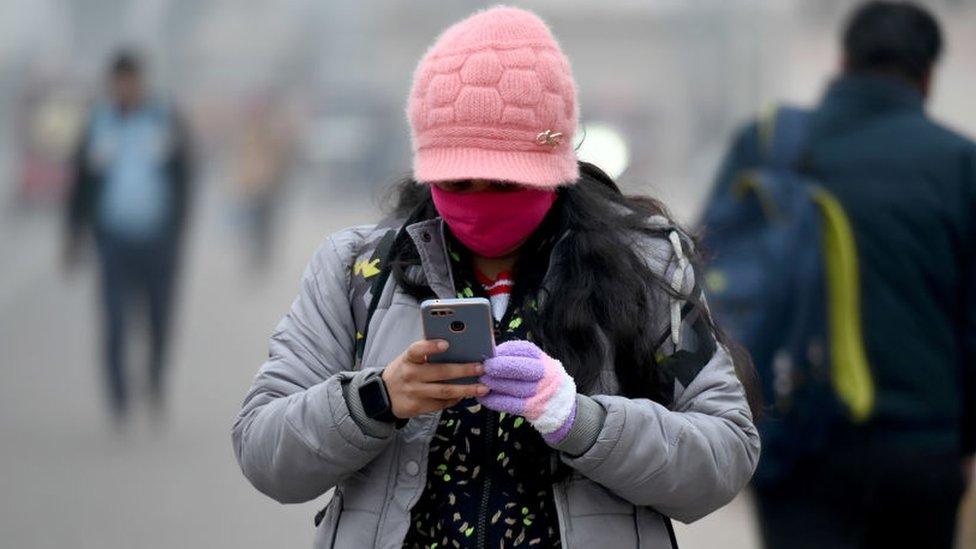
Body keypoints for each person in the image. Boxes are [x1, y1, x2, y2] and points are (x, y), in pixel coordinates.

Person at [233, 7, 760, 548]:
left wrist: (581, 420)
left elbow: (725, 454)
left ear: (554, 171)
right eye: (458, 182)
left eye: (507, 184)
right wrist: (376, 401)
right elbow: (263, 451)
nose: (480, 204)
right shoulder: (356, 273)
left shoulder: (643, 268)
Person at [711, 2, 975, 548]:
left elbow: (710, 283)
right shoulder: (960, 165)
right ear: (927, 75)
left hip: (794, 442)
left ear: (842, 60)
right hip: (921, 450)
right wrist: (957, 440)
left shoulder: (767, 147)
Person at [65, 50, 193, 425]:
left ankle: (153, 382)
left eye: (131, 80)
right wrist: (74, 234)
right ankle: (118, 398)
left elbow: (184, 176)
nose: (126, 87)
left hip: (157, 242)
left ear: (141, 81)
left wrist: (177, 230)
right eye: (119, 81)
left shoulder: (164, 120)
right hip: (113, 242)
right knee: (115, 322)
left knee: (158, 321)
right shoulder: (98, 124)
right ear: (112, 84)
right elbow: (81, 183)